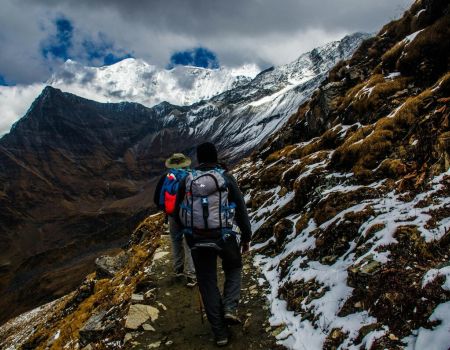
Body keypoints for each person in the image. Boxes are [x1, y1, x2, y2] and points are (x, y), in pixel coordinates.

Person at [175, 142, 252, 347]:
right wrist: (246, 236)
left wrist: (188, 236)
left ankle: (220, 334)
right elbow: (241, 210)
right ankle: (229, 307)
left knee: (207, 282)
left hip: (198, 238)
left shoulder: (187, 180)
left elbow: (176, 211)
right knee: (234, 267)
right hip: (224, 236)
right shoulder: (226, 178)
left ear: (199, 159)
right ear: (216, 157)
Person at [153, 153, 196, 287]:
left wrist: (168, 211)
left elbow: (157, 199)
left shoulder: (166, 178)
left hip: (172, 216)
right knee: (189, 243)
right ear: (185, 163)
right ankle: (191, 275)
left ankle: (178, 269)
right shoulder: (192, 176)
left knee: (176, 240)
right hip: (189, 215)